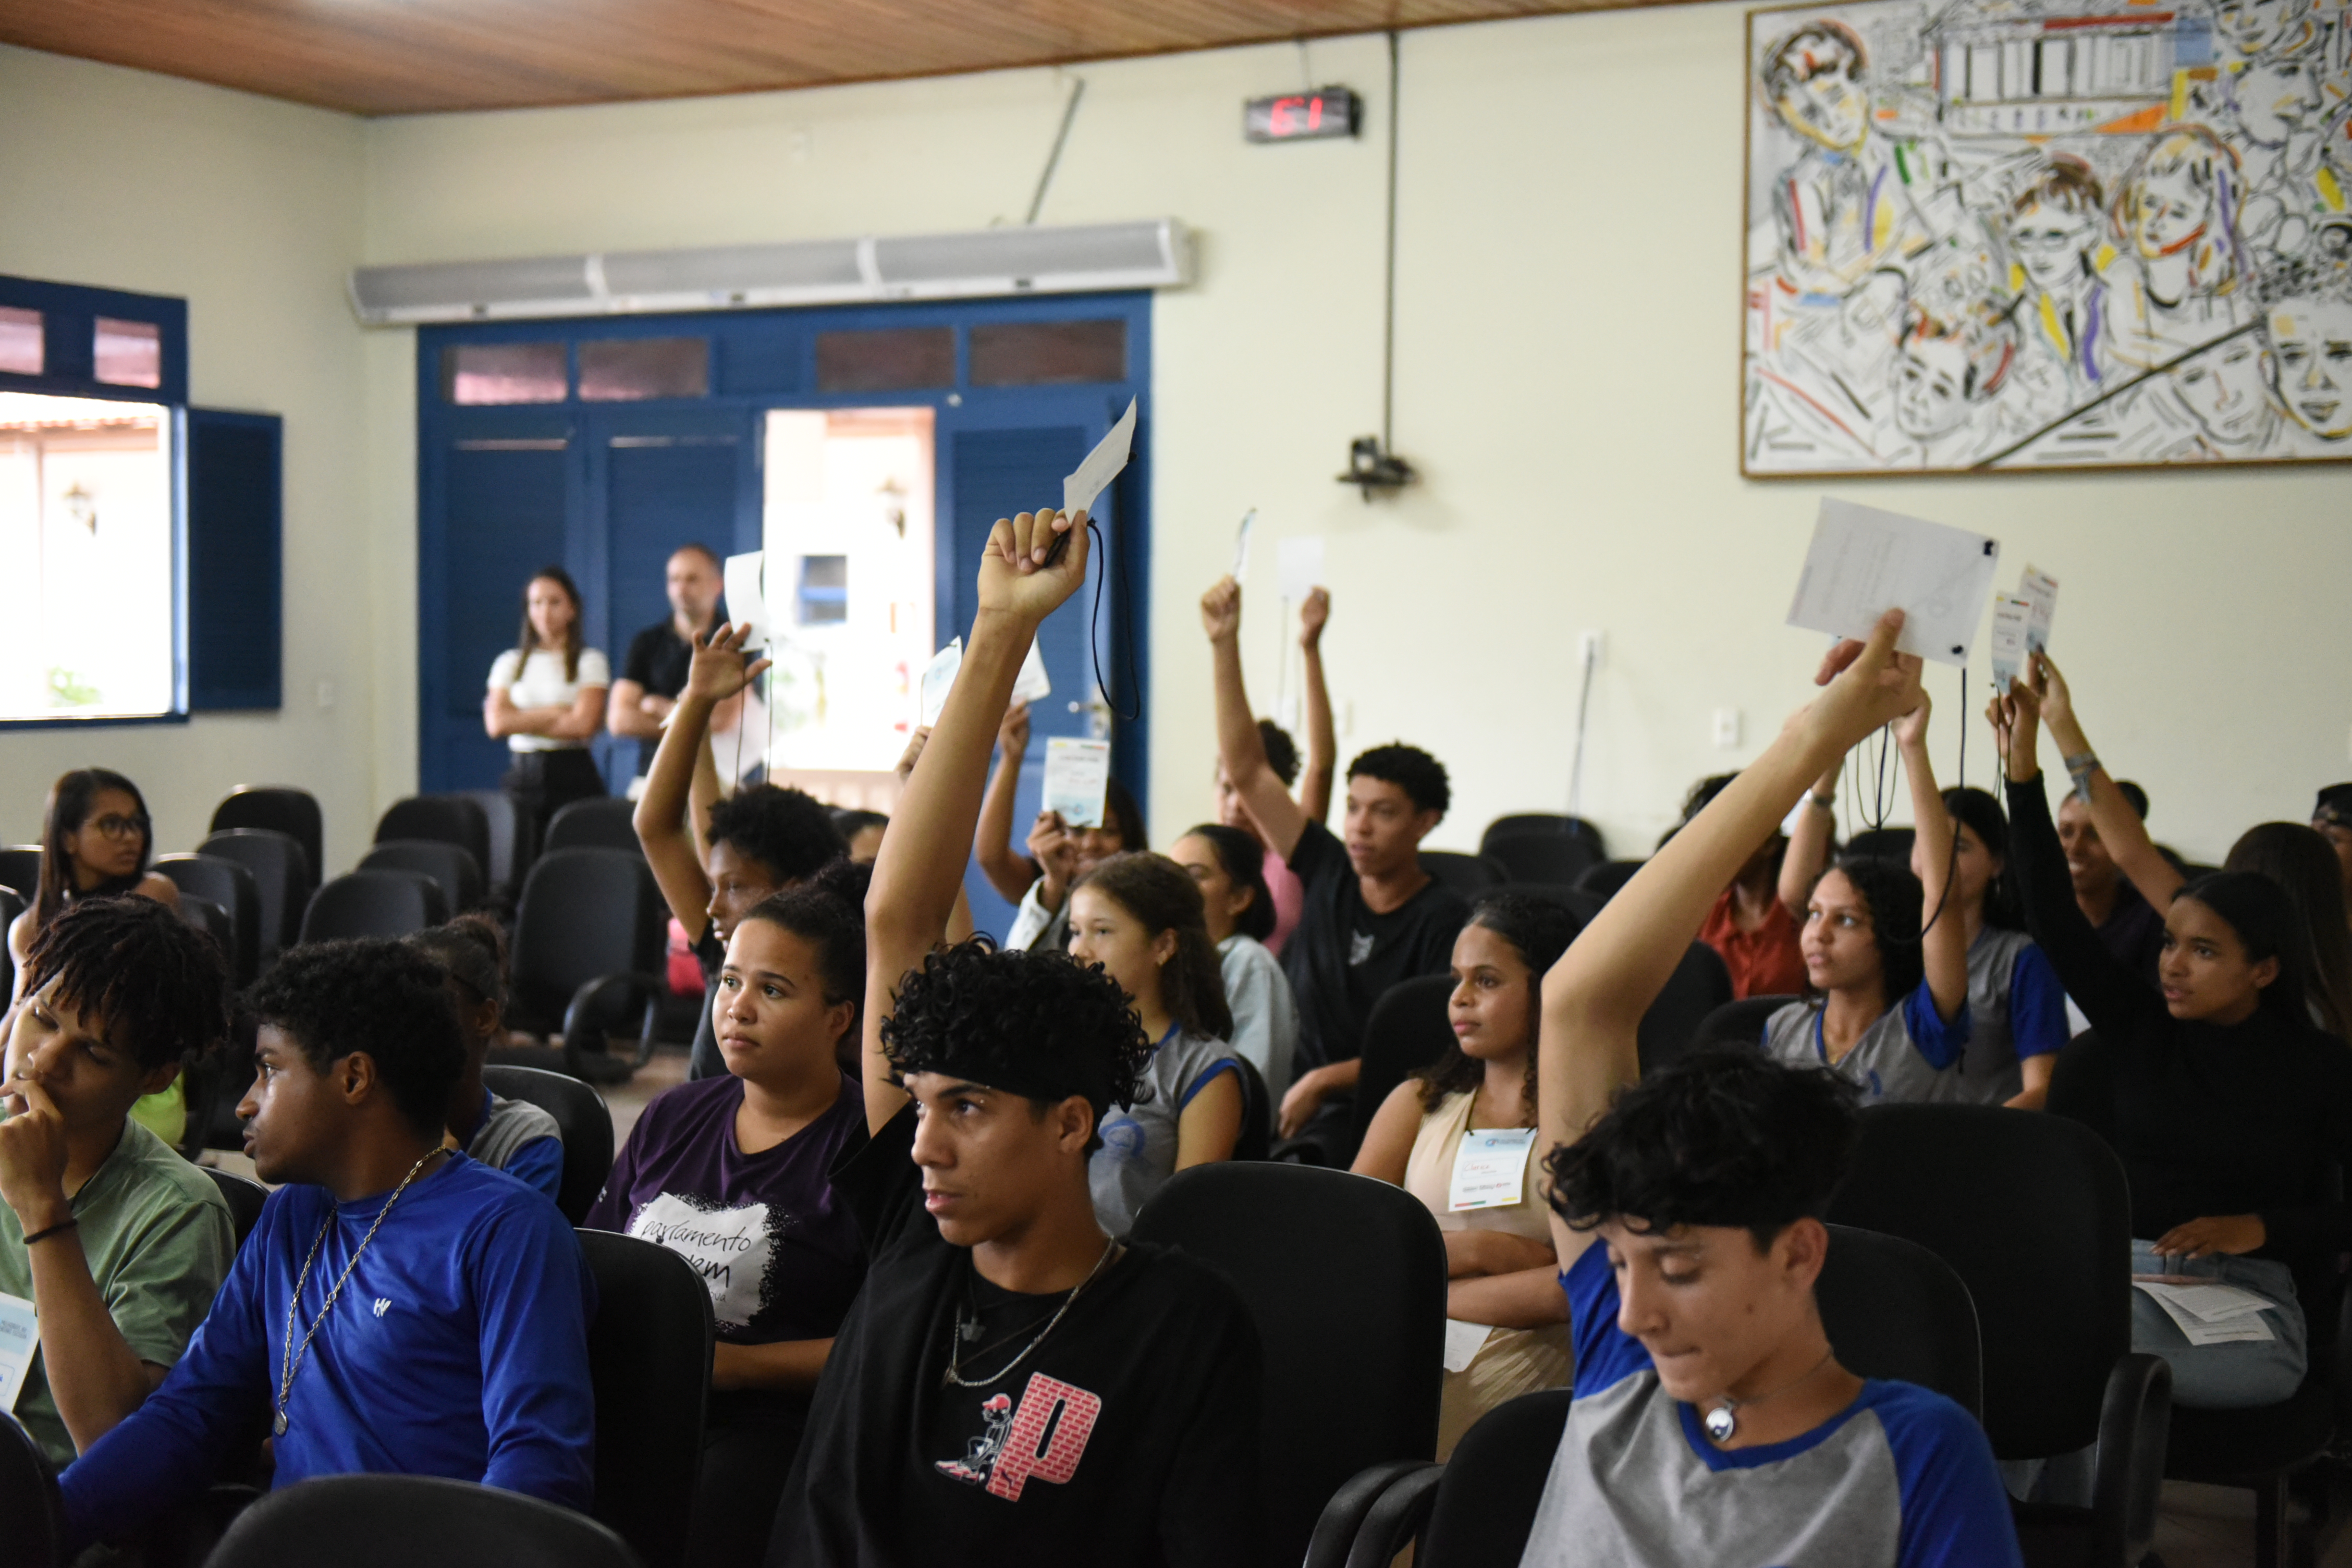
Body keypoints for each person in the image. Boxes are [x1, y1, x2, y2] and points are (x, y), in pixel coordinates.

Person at [770, 503, 1263, 1568]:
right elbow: (897, 917)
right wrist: (1003, 627)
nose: (923, 1142)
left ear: (1071, 1123)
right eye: (928, 1099)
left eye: (969, 1109)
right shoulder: (916, 1240)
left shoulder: (1179, 1326)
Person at [1522, 608, 2020, 1566]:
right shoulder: (1627, 1362)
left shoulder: (1913, 1452)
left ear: (1797, 1253)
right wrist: (1811, 739)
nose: (1630, 1310)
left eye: (1677, 1268)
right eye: (1620, 1264)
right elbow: (1579, 1003)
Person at [57, 939, 596, 1548]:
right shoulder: (296, 1213)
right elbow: (190, 1414)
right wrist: (45, 1523)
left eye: (269, 1067)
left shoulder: (508, 1231)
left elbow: (538, 1474)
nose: (245, 1101)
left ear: (354, 1077)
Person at [1999, 679, 2352, 1409]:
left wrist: (2260, 1228)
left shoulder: (2319, 1067)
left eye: (2203, 952)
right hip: (2126, 1276)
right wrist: (2022, 772)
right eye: (2168, 944)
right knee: (2034, 1355)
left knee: (2103, 1375)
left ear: (2264, 968)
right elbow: (2053, 914)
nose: (2171, 965)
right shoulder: (2142, 1027)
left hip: (2249, 1292)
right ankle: (2064, 1518)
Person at [588, 863, 871, 1568]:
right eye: (731, 982)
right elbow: (597, 1255)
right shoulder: (674, 1113)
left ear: (840, 1018)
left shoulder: (871, 1146)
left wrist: (734, 1369)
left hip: (767, 1430)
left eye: (772, 990)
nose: (737, 1008)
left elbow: (886, 1342)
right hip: (631, 1391)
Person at [1204, 575, 1468, 1159]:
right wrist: (1224, 643)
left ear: (1426, 821)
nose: (1359, 825)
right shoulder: (1327, 866)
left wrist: (1325, 1080)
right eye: (1353, 808)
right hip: (1285, 1093)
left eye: (1384, 812)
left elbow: (1430, 1050)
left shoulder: (1445, 919)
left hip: (1375, 1109)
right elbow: (1247, 770)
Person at [0, 898, 233, 1472]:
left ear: (155, 1077)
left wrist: (42, 1208)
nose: (45, 1059)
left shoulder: (177, 1210)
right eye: (44, 1018)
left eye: (93, 1052)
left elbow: (111, 1440)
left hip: (46, 1511)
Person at [1351, 891, 1578, 1458]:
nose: (1459, 998)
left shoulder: (1582, 1119)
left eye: (1488, 980)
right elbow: (1351, 1254)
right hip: (1405, 1333)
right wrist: (1481, 1250)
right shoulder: (1416, 1102)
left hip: (1528, 1347)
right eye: (1457, 978)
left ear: (1547, 988)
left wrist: (1422, 1291)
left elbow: (1570, 1291)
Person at [2021, 650, 2352, 1033]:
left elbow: (2132, 854)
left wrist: (2061, 724)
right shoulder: (2331, 986)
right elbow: (2131, 853)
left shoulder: (2263, 994)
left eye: (2203, 950)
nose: (2176, 965)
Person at [1780, 700, 2066, 1107]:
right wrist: (1826, 775)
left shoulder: (2012, 960)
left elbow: (2043, 1088)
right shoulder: (1883, 938)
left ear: (1998, 863)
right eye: (1932, 844)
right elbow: (1796, 893)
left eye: (1961, 847)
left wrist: (1912, 745)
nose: (1940, 858)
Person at [634, 621, 849, 1082]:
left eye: (733, 888)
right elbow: (657, 827)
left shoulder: (838, 977)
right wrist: (698, 699)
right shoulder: (723, 949)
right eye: (715, 885)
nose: (712, 905)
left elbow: (657, 828)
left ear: (794, 892)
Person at [1763, 696, 1973, 1106]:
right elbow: (1793, 891)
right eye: (1815, 915)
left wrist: (1912, 747)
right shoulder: (1782, 1028)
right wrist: (1828, 762)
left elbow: (1942, 897)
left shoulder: (1922, 1028)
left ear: (1891, 935)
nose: (1818, 935)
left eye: (1846, 921)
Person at [1064, 852, 1246, 1232]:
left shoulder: (1204, 1070)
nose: (1080, 951)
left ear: (1163, 946)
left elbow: (1186, 1222)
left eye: (1102, 931)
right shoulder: (1063, 1048)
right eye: (1075, 931)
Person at [7, 768, 185, 1144]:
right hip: (57, 1065)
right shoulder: (29, 927)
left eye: (137, 824)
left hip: (124, 1076)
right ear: (69, 838)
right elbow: (18, 1011)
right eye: (112, 825)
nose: (131, 837)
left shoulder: (152, 895)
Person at [1206, 586, 1340, 958]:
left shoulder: (1293, 853)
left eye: (1246, 793)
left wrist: (1310, 650)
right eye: (1226, 789)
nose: (1234, 805)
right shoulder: (1200, 857)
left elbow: (1322, 766)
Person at [973, 698, 1150, 953]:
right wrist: (1012, 758)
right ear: (1052, 833)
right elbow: (991, 857)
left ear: (1130, 837)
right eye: (1077, 831)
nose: (1091, 844)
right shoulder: (1045, 883)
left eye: (1109, 831)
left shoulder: (1148, 894)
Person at [407, 916, 562, 1202]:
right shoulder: (376, 1126)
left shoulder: (525, 1138)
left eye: (431, 1008)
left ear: (485, 1017)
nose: (409, 1027)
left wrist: (442, 1165)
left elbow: (511, 1240)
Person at [1166, 823, 1301, 1104]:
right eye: (1170, 876)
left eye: (1194, 876)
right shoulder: (1166, 962)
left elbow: (1252, 1085)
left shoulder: (1249, 963)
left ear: (1239, 898)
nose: (1176, 890)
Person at [484, 565, 609, 858]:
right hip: (523, 773)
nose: (545, 611)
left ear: (572, 609)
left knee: (574, 857)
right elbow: (497, 724)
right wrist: (555, 712)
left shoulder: (589, 661)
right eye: (536, 603)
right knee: (520, 858)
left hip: (572, 770)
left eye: (555, 602)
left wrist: (522, 719)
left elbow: (583, 725)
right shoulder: (510, 662)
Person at [607, 543, 731, 775]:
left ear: (717, 585)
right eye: (674, 580)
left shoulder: (733, 643)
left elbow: (721, 722)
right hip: (654, 775)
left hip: (717, 777)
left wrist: (658, 707)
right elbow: (619, 720)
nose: (681, 589)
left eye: (692, 579)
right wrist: (692, 723)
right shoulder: (646, 642)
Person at [1683, 772, 1808, 999]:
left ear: (1769, 843)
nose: (1709, 852)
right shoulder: (1701, 918)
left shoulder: (1805, 915)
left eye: (1721, 838)